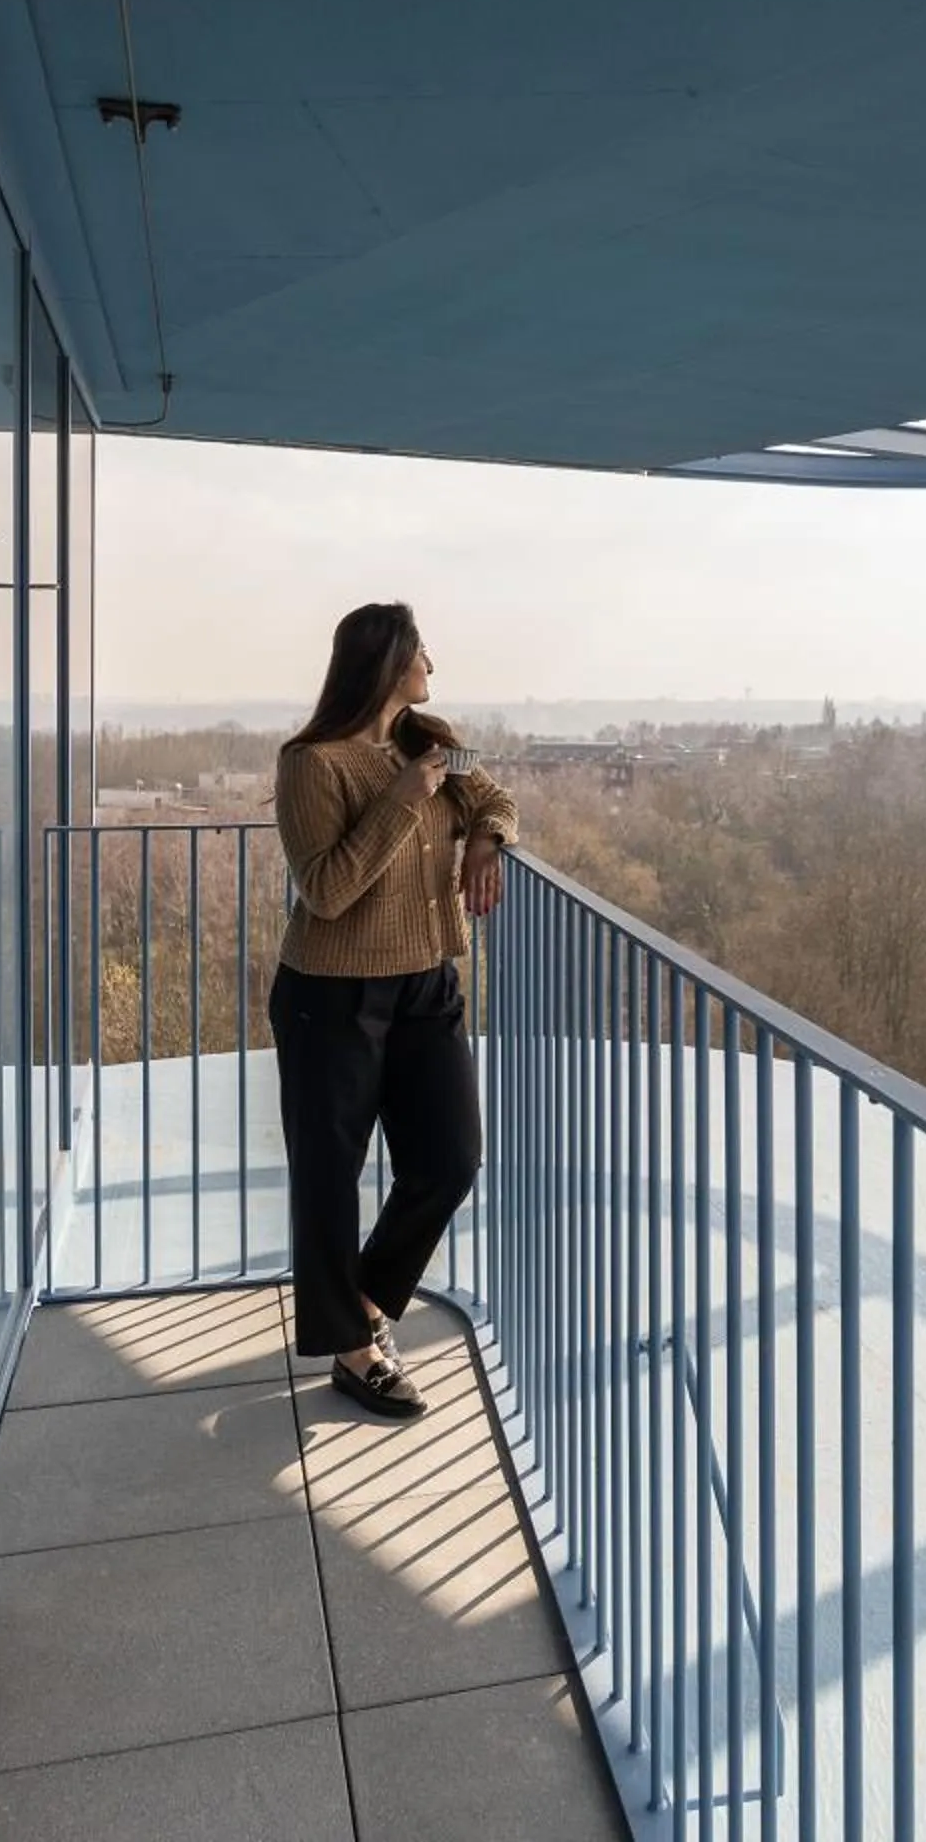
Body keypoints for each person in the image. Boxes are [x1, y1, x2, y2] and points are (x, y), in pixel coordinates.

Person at [271, 603, 515, 1419]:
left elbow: (496, 796)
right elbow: (328, 890)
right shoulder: (312, 763)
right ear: (383, 664)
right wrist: (405, 800)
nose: (432, 667)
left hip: (425, 985)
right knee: (330, 1178)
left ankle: (366, 1307)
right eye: (420, 654)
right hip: (330, 994)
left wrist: (485, 839)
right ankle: (352, 1351)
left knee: (452, 1158)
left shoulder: (429, 738)